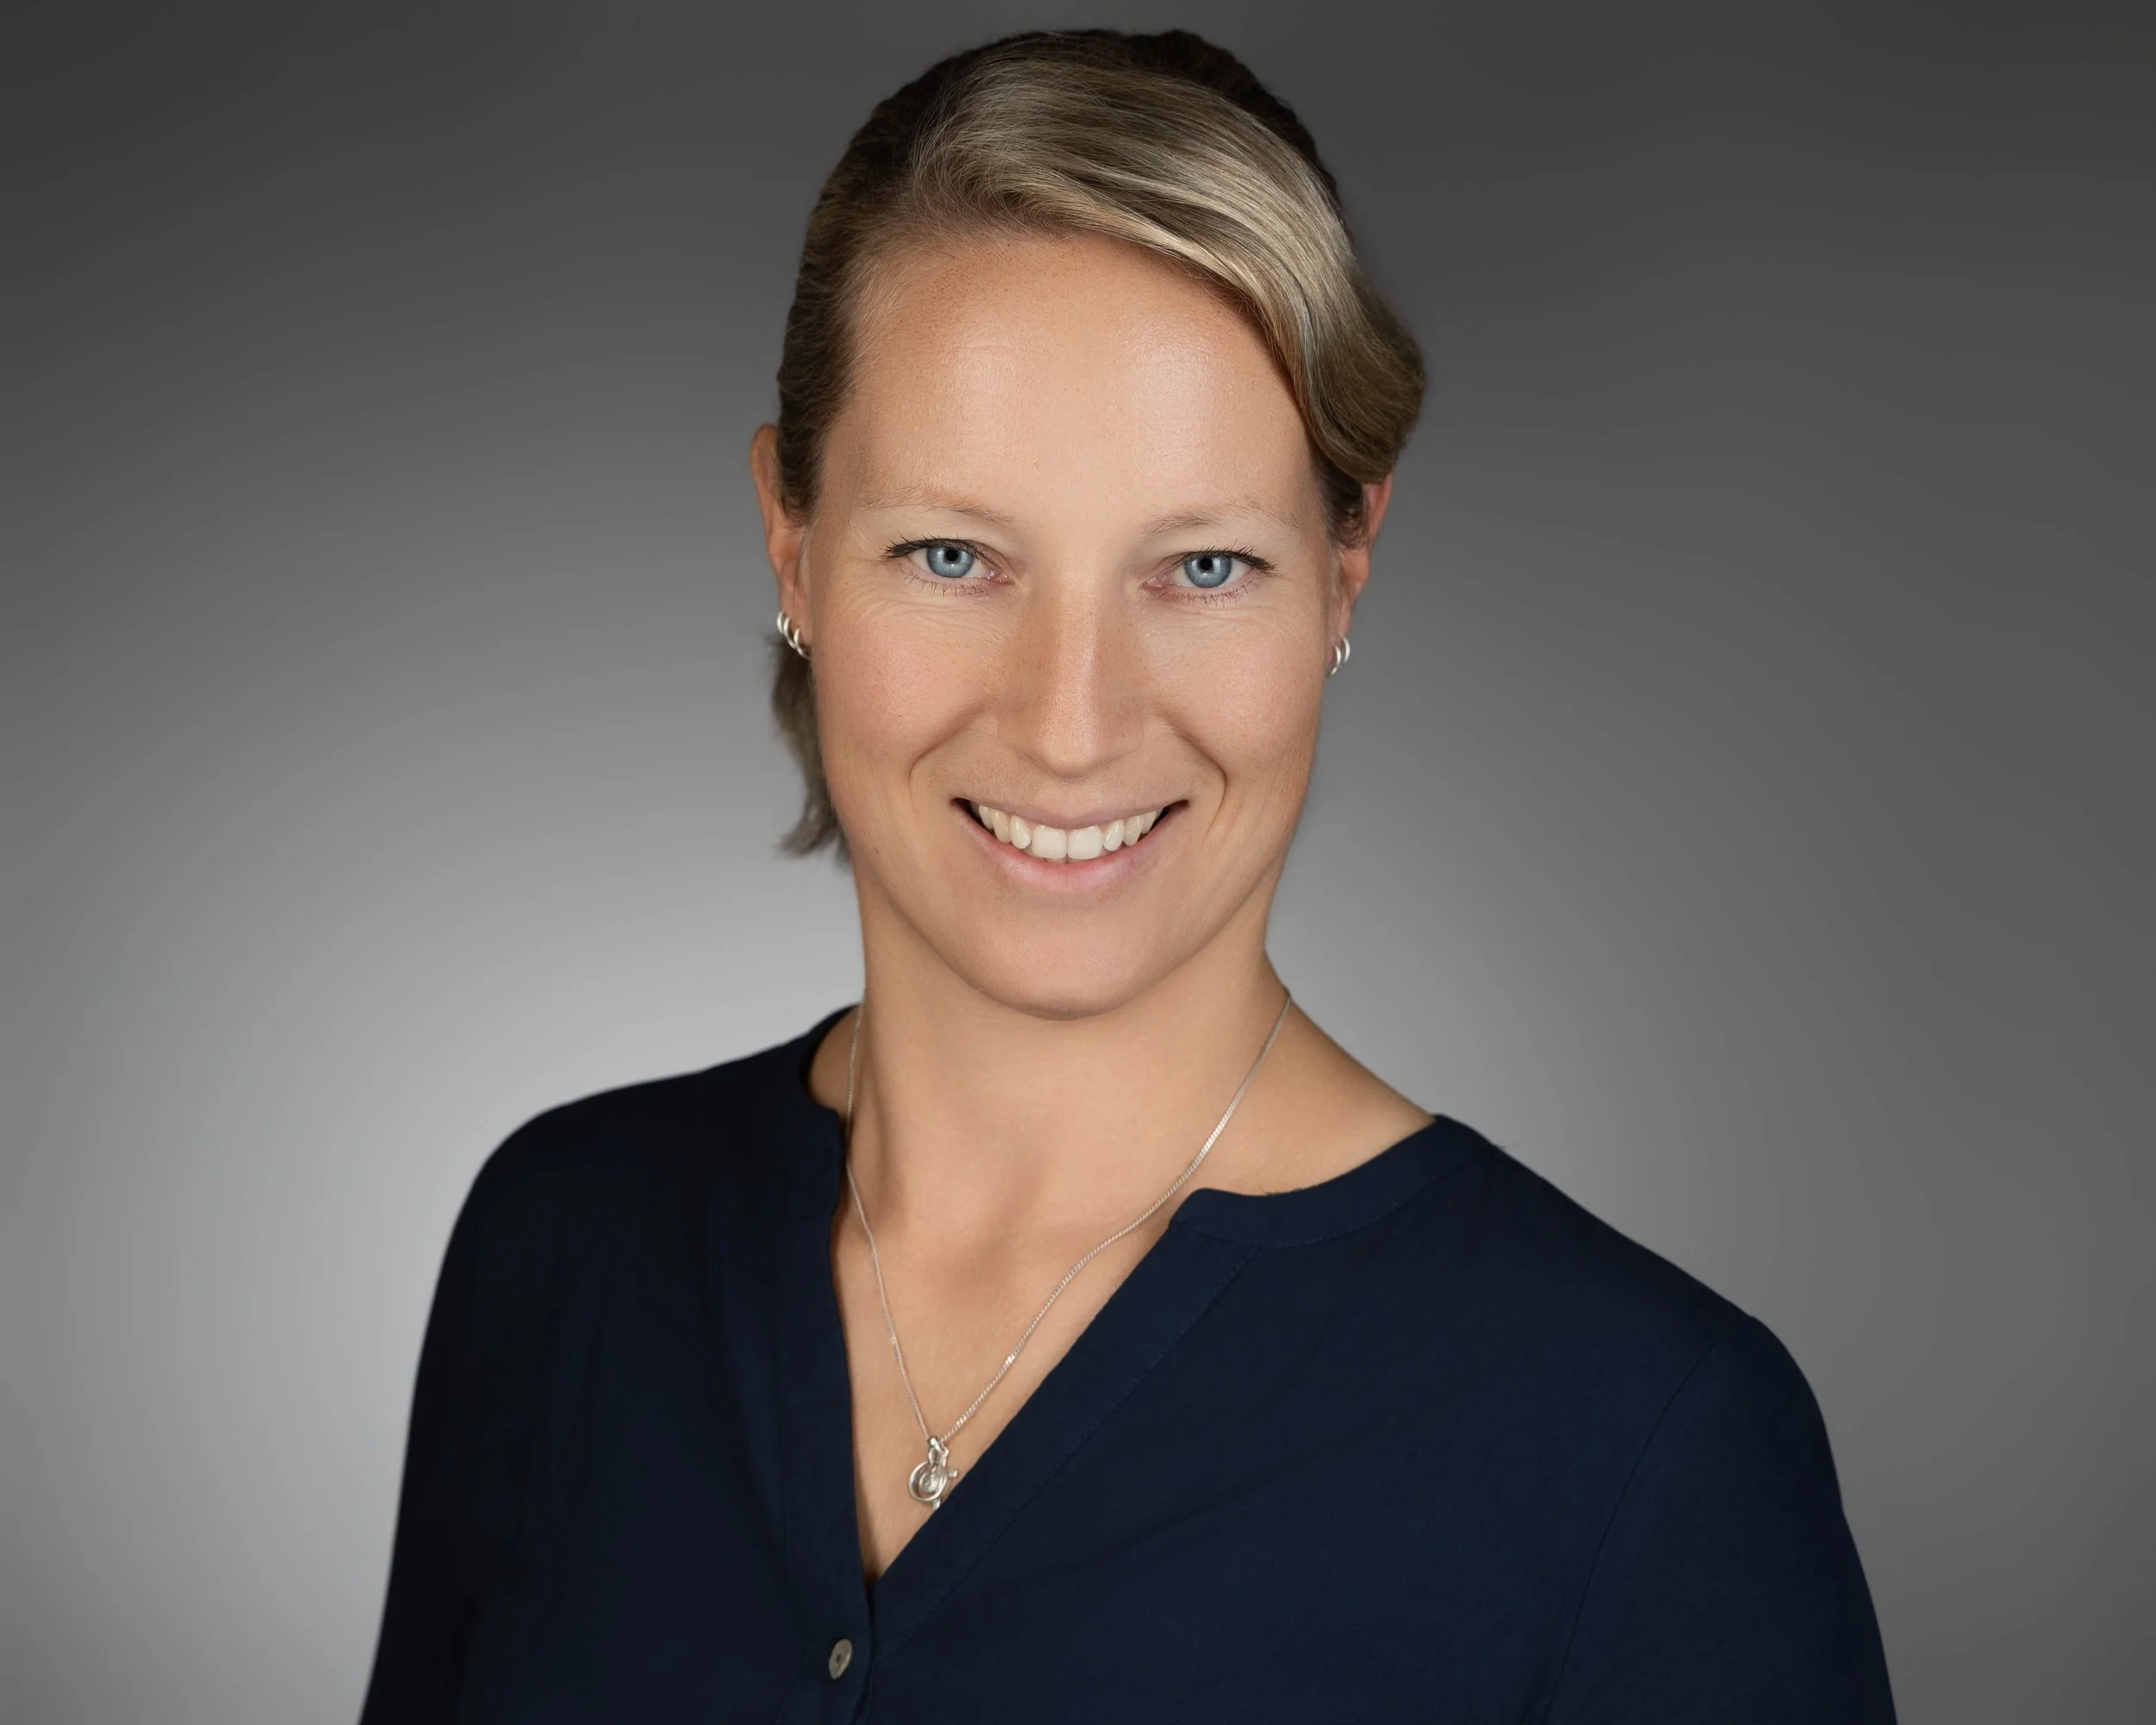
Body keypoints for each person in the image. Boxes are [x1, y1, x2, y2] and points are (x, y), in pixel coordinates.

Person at [359, 28, 1896, 1722]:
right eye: (952, 553)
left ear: (1342, 572)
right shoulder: (564, 1243)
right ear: (790, 547)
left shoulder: (1642, 1442)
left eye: (1202, 564)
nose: (1070, 721)